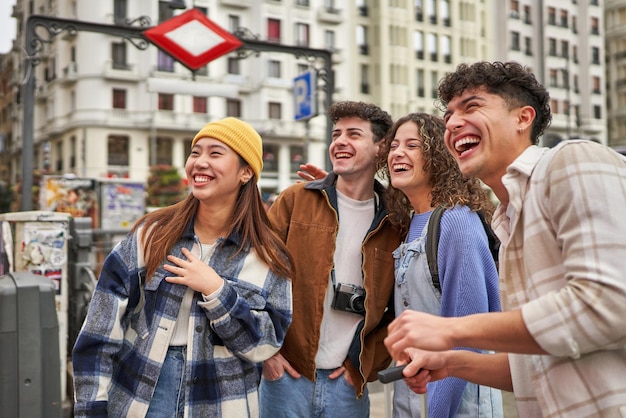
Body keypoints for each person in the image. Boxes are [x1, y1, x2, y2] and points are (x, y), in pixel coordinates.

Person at [384, 61, 626, 417]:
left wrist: (450, 330)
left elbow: (608, 304)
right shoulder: (507, 220)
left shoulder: (571, 159)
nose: (452, 122)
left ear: (522, 118)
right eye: (449, 113)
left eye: (472, 106)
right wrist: (451, 364)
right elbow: (535, 365)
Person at [72, 117, 293, 417]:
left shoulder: (268, 254)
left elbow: (265, 345)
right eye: (195, 152)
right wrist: (91, 408)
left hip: (223, 402)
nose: (200, 162)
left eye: (215, 154)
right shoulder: (152, 234)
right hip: (141, 394)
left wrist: (217, 291)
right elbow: (99, 329)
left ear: (245, 172)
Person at [258, 101, 401, 417]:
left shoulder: (395, 221)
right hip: (286, 377)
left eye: (353, 134)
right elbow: (255, 274)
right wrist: (266, 353)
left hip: (347, 385)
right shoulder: (296, 200)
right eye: (336, 134)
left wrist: (366, 366)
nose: (340, 141)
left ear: (380, 148)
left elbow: (398, 305)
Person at [380, 113, 502, 417]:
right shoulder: (410, 225)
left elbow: (467, 337)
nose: (397, 153)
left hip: (457, 403)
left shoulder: (457, 221)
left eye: (412, 145)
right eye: (394, 146)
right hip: (413, 398)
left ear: (438, 156)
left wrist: (436, 411)